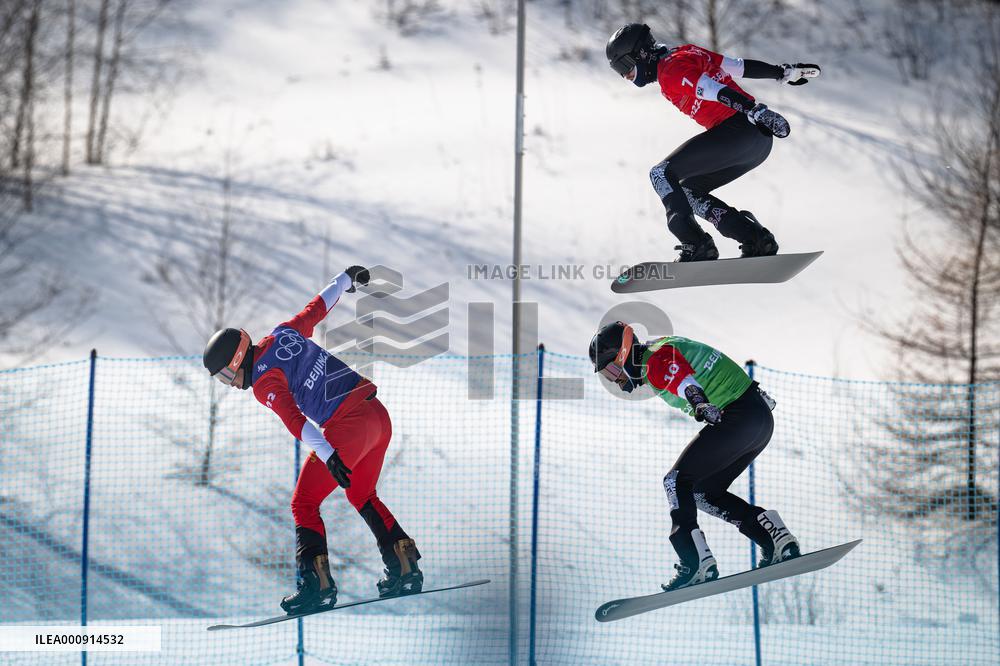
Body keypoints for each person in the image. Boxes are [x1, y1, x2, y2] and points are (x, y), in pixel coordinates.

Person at [202, 265, 422, 614]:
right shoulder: (281, 333)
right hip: (377, 415)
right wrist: (346, 279)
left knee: (303, 503)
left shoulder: (263, 382)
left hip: (348, 427)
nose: (230, 383)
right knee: (362, 494)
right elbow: (315, 309)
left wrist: (329, 452)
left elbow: (295, 421)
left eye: (226, 374)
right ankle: (405, 568)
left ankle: (316, 586)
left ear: (237, 359)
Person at [589, 321, 800, 591]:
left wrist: (699, 403)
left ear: (624, 354)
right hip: (757, 418)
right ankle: (774, 537)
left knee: (675, 482)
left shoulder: (655, 362)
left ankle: (694, 562)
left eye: (611, 370)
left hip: (737, 417)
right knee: (702, 492)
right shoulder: (662, 346)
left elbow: (684, 381)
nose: (614, 379)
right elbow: (696, 365)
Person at [605, 23, 821, 262]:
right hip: (759, 141)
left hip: (740, 130)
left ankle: (695, 244)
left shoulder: (670, 71)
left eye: (624, 67)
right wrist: (782, 73)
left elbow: (711, 89)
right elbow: (738, 67)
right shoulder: (686, 52)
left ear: (641, 54)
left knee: (661, 174)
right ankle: (753, 237)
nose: (626, 76)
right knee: (686, 191)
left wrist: (753, 109)